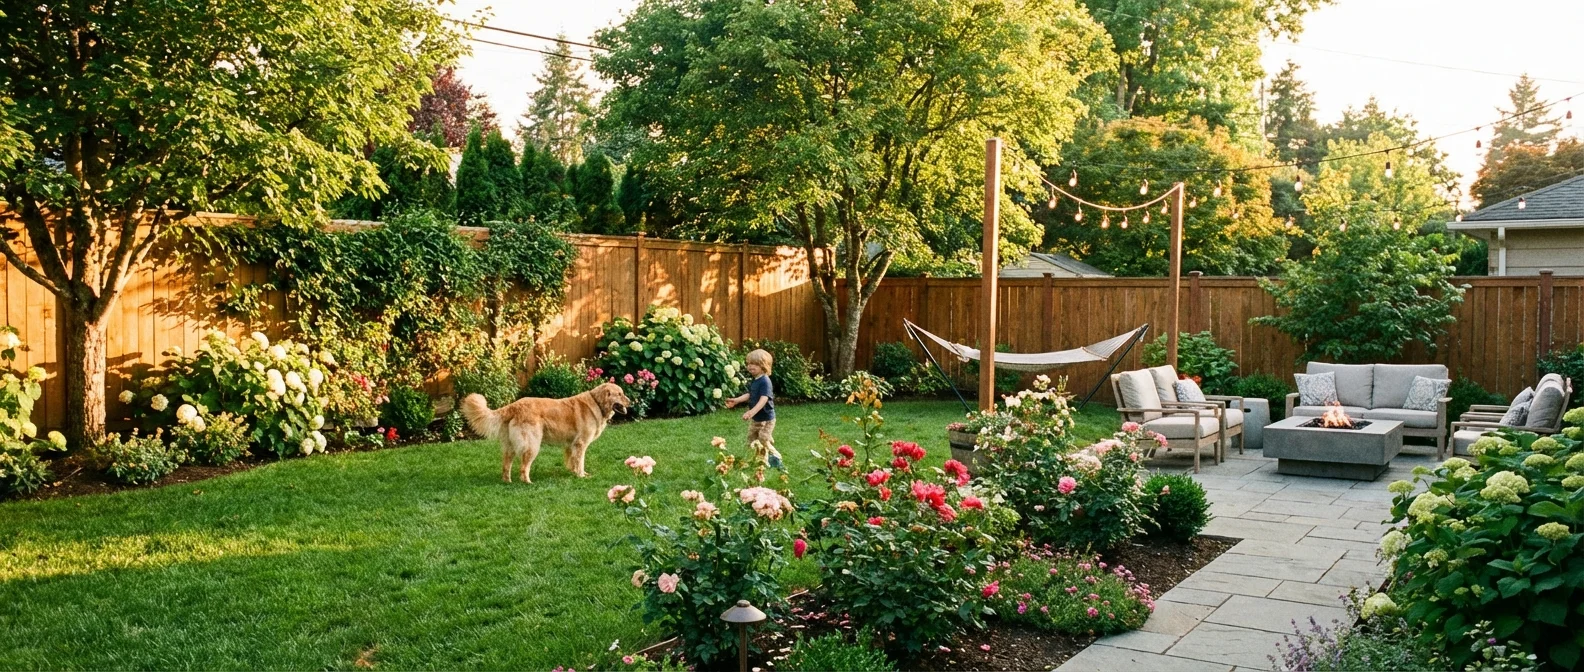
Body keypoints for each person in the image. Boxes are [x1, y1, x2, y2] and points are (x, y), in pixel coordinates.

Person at [725, 349, 781, 468]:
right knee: (751, 439)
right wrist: (736, 400)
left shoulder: (765, 381)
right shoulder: (755, 380)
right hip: (757, 418)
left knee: (763, 438)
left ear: (764, 366)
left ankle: (775, 456)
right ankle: (756, 457)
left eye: (755, 364)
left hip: (766, 418)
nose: (750, 366)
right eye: (749, 363)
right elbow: (750, 394)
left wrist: (751, 412)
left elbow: (764, 399)